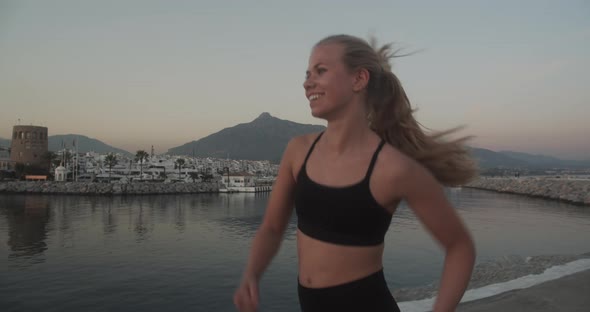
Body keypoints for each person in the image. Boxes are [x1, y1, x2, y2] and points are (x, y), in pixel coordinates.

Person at [234, 34, 477, 312]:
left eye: (321, 70)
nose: (307, 82)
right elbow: (273, 227)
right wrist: (251, 274)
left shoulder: (395, 168)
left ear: (358, 79)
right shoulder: (298, 151)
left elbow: (460, 246)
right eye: (307, 73)